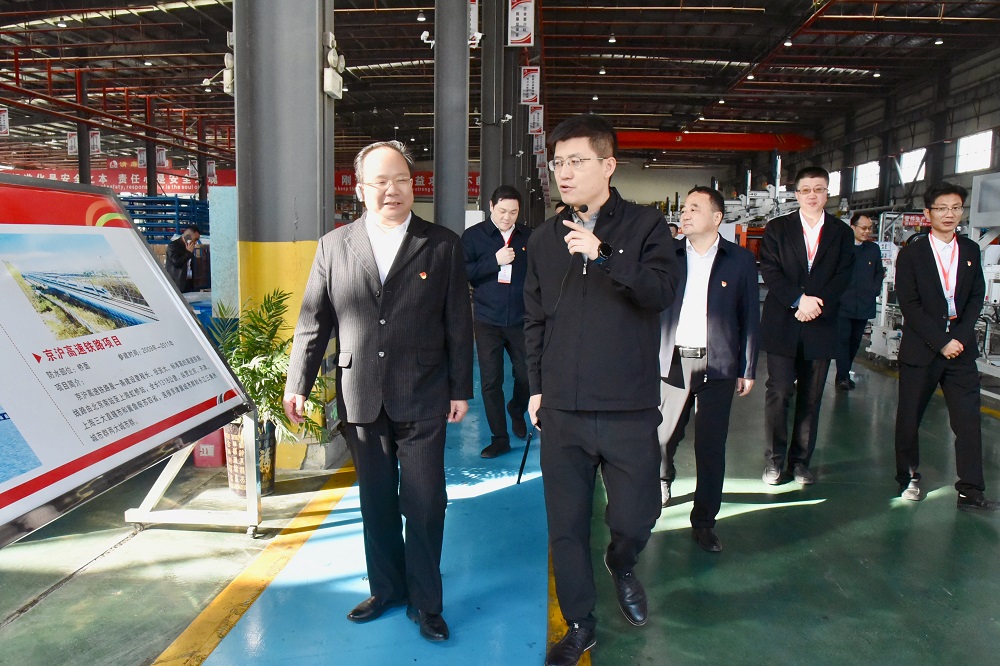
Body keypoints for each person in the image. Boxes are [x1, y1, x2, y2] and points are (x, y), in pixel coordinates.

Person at [283, 140, 474, 642]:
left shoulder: (442, 244)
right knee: (376, 501)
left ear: (413, 185)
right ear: (361, 189)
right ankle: (387, 589)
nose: (393, 190)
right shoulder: (334, 245)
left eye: (402, 180)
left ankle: (426, 603)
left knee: (426, 502)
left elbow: (458, 321)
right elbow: (313, 320)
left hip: (424, 391)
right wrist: (298, 383)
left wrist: (461, 388)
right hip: (361, 392)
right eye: (381, 182)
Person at [523, 114, 675, 666]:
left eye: (576, 161)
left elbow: (659, 292)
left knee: (636, 515)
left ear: (608, 165)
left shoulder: (646, 227)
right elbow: (534, 319)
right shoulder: (543, 239)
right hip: (563, 408)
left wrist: (604, 254)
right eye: (557, 162)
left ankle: (622, 560)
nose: (563, 172)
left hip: (628, 405)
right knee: (565, 525)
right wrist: (536, 387)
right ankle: (581, 623)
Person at [657, 186, 759, 553]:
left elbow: (750, 316)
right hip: (673, 361)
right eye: (684, 208)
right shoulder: (667, 255)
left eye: (694, 208)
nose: (685, 214)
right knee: (663, 436)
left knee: (711, 447)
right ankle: (662, 478)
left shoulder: (740, 260)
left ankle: (704, 522)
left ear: (717, 218)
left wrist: (747, 367)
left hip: (718, 363)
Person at [893, 182, 999, 510]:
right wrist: (941, 342)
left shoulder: (970, 250)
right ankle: (908, 477)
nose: (949, 214)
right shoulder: (912, 254)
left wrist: (959, 339)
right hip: (922, 348)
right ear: (928, 213)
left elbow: (975, 298)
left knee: (968, 421)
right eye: (941, 208)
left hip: (960, 350)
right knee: (909, 417)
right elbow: (909, 304)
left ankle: (970, 489)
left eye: (955, 208)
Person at [759, 166, 854, 486]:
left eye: (819, 189)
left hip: (821, 323)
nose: (812, 195)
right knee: (779, 391)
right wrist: (798, 300)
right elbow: (770, 270)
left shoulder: (841, 232)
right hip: (783, 322)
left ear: (827, 193)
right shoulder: (778, 228)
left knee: (811, 397)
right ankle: (774, 461)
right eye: (806, 190)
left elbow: (844, 275)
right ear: (796, 194)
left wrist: (815, 305)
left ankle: (800, 462)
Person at [461, 185, 531, 458]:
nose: (507, 217)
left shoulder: (528, 236)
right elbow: (463, 272)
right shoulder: (473, 237)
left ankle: (517, 409)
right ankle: (499, 438)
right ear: (491, 207)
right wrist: (494, 261)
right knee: (491, 381)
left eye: (513, 212)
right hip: (487, 319)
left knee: (527, 375)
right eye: (502, 211)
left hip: (521, 319)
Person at [835, 213, 885, 390]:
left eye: (869, 228)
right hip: (843, 304)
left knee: (855, 341)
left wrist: (874, 290)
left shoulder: (873, 249)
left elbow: (879, 272)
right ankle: (842, 376)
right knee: (843, 340)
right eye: (863, 228)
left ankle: (844, 373)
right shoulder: (841, 249)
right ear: (852, 227)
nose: (867, 231)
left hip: (864, 304)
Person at [165, 225, 200, 291]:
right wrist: (188, 253)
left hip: (189, 282)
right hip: (178, 284)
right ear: (187, 237)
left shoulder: (189, 247)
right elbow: (176, 263)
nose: (195, 242)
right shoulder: (173, 246)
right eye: (195, 240)